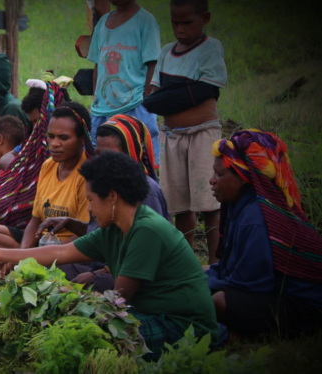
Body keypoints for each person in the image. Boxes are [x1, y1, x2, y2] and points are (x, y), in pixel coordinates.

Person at [0, 152, 218, 361]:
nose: (87, 208)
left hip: (183, 327)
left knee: (87, 337)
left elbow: (118, 300)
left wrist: (66, 298)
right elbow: (60, 251)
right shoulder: (111, 229)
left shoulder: (146, 230)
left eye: (90, 200)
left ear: (112, 197)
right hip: (150, 314)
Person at [205, 130, 322, 341]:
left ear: (243, 179)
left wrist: (200, 286)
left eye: (220, 174)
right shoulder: (237, 205)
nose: (212, 181)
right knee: (199, 275)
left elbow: (252, 285)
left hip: (304, 306)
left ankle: (240, 336)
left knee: (217, 301)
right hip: (268, 290)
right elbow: (228, 267)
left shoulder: (256, 219)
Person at [145, 0, 227, 263]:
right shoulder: (168, 52)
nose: (180, 29)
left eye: (187, 22)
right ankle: (186, 262)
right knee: (179, 204)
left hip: (203, 135)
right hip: (172, 136)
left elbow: (207, 90)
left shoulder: (210, 48)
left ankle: (215, 264)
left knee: (209, 202)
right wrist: (185, 92)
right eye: (175, 22)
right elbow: (152, 97)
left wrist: (169, 96)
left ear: (206, 18)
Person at [48, 114, 168, 291]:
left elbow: (144, 253)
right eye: (98, 154)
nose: (102, 161)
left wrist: (99, 273)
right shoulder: (101, 184)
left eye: (109, 155)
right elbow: (102, 234)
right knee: (50, 268)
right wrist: (72, 224)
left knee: (89, 287)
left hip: (128, 270)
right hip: (99, 262)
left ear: (128, 153)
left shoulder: (146, 191)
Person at [0, 102, 94, 252]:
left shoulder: (88, 173)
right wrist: (24, 253)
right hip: (42, 242)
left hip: (67, 248)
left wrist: (28, 256)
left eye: (63, 138)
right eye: (51, 136)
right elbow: (36, 220)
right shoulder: (48, 165)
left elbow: (85, 235)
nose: (54, 144)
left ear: (82, 139)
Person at [0, 81, 67, 243]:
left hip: (54, 237)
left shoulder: (62, 158)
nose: (37, 129)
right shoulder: (34, 141)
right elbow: (8, 160)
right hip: (36, 223)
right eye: (32, 123)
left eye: (39, 122)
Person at [87, 0, 161, 166]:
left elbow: (153, 63)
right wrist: (96, 99)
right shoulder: (102, 24)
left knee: (137, 162)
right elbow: (98, 65)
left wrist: (147, 100)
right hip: (102, 109)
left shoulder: (146, 21)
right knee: (100, 163)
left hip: (134, 106)